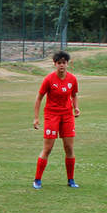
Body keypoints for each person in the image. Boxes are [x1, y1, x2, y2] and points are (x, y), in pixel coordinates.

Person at [31, 50, 80, 189]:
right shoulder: (48, 80)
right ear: (55, 64)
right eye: (59, 63)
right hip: (52, 115)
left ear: (67, 64)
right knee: (48, 148)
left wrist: (76, 108)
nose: (62, 66)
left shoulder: (72, 79)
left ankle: (71, 180)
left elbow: (74, 95)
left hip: (67, 115)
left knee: (69, 148)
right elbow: (39, 98)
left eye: (64, 63)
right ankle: (37, 180)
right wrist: (36, 118)